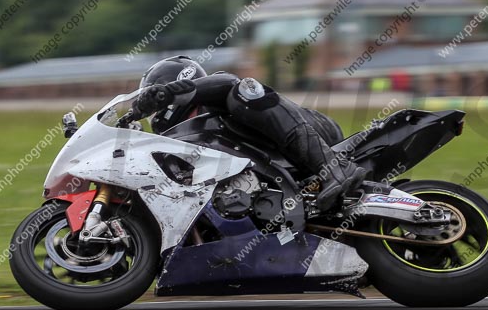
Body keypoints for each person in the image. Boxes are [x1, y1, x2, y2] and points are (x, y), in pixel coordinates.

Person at [130, 55, 366, 212]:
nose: (152, 113)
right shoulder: (180, 141)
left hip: (317, 131)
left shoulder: (212, 103)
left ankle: (334, 168)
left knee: (243, 91)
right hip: (282, 189)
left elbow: (229, 81)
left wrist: (166, 93)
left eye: (153, 100)